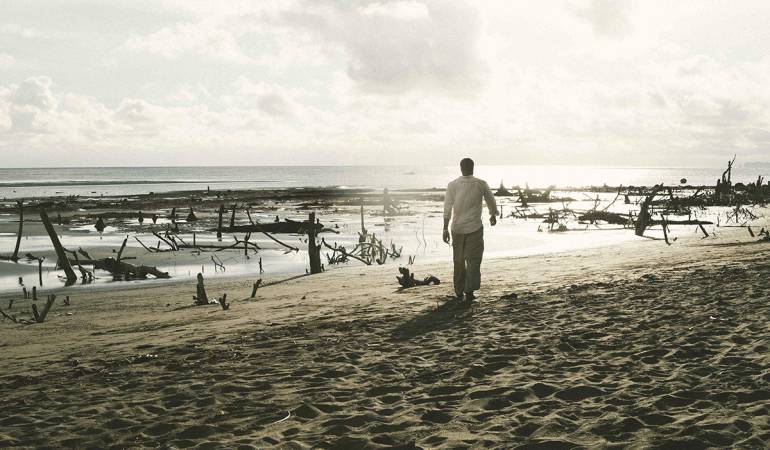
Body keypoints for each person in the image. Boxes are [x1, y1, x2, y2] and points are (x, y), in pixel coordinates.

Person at [443, 158, 498, 304]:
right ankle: (469, 291)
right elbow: (491, 200)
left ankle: (459, 291)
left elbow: (447, 207)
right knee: (473, 260)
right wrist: (493, 214)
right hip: (474, 227)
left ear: (461, 168)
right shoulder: (481, 183)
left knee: (458, 260)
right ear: (473, 168)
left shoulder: (452, 185)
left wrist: (444, 228)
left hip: (457, 228)